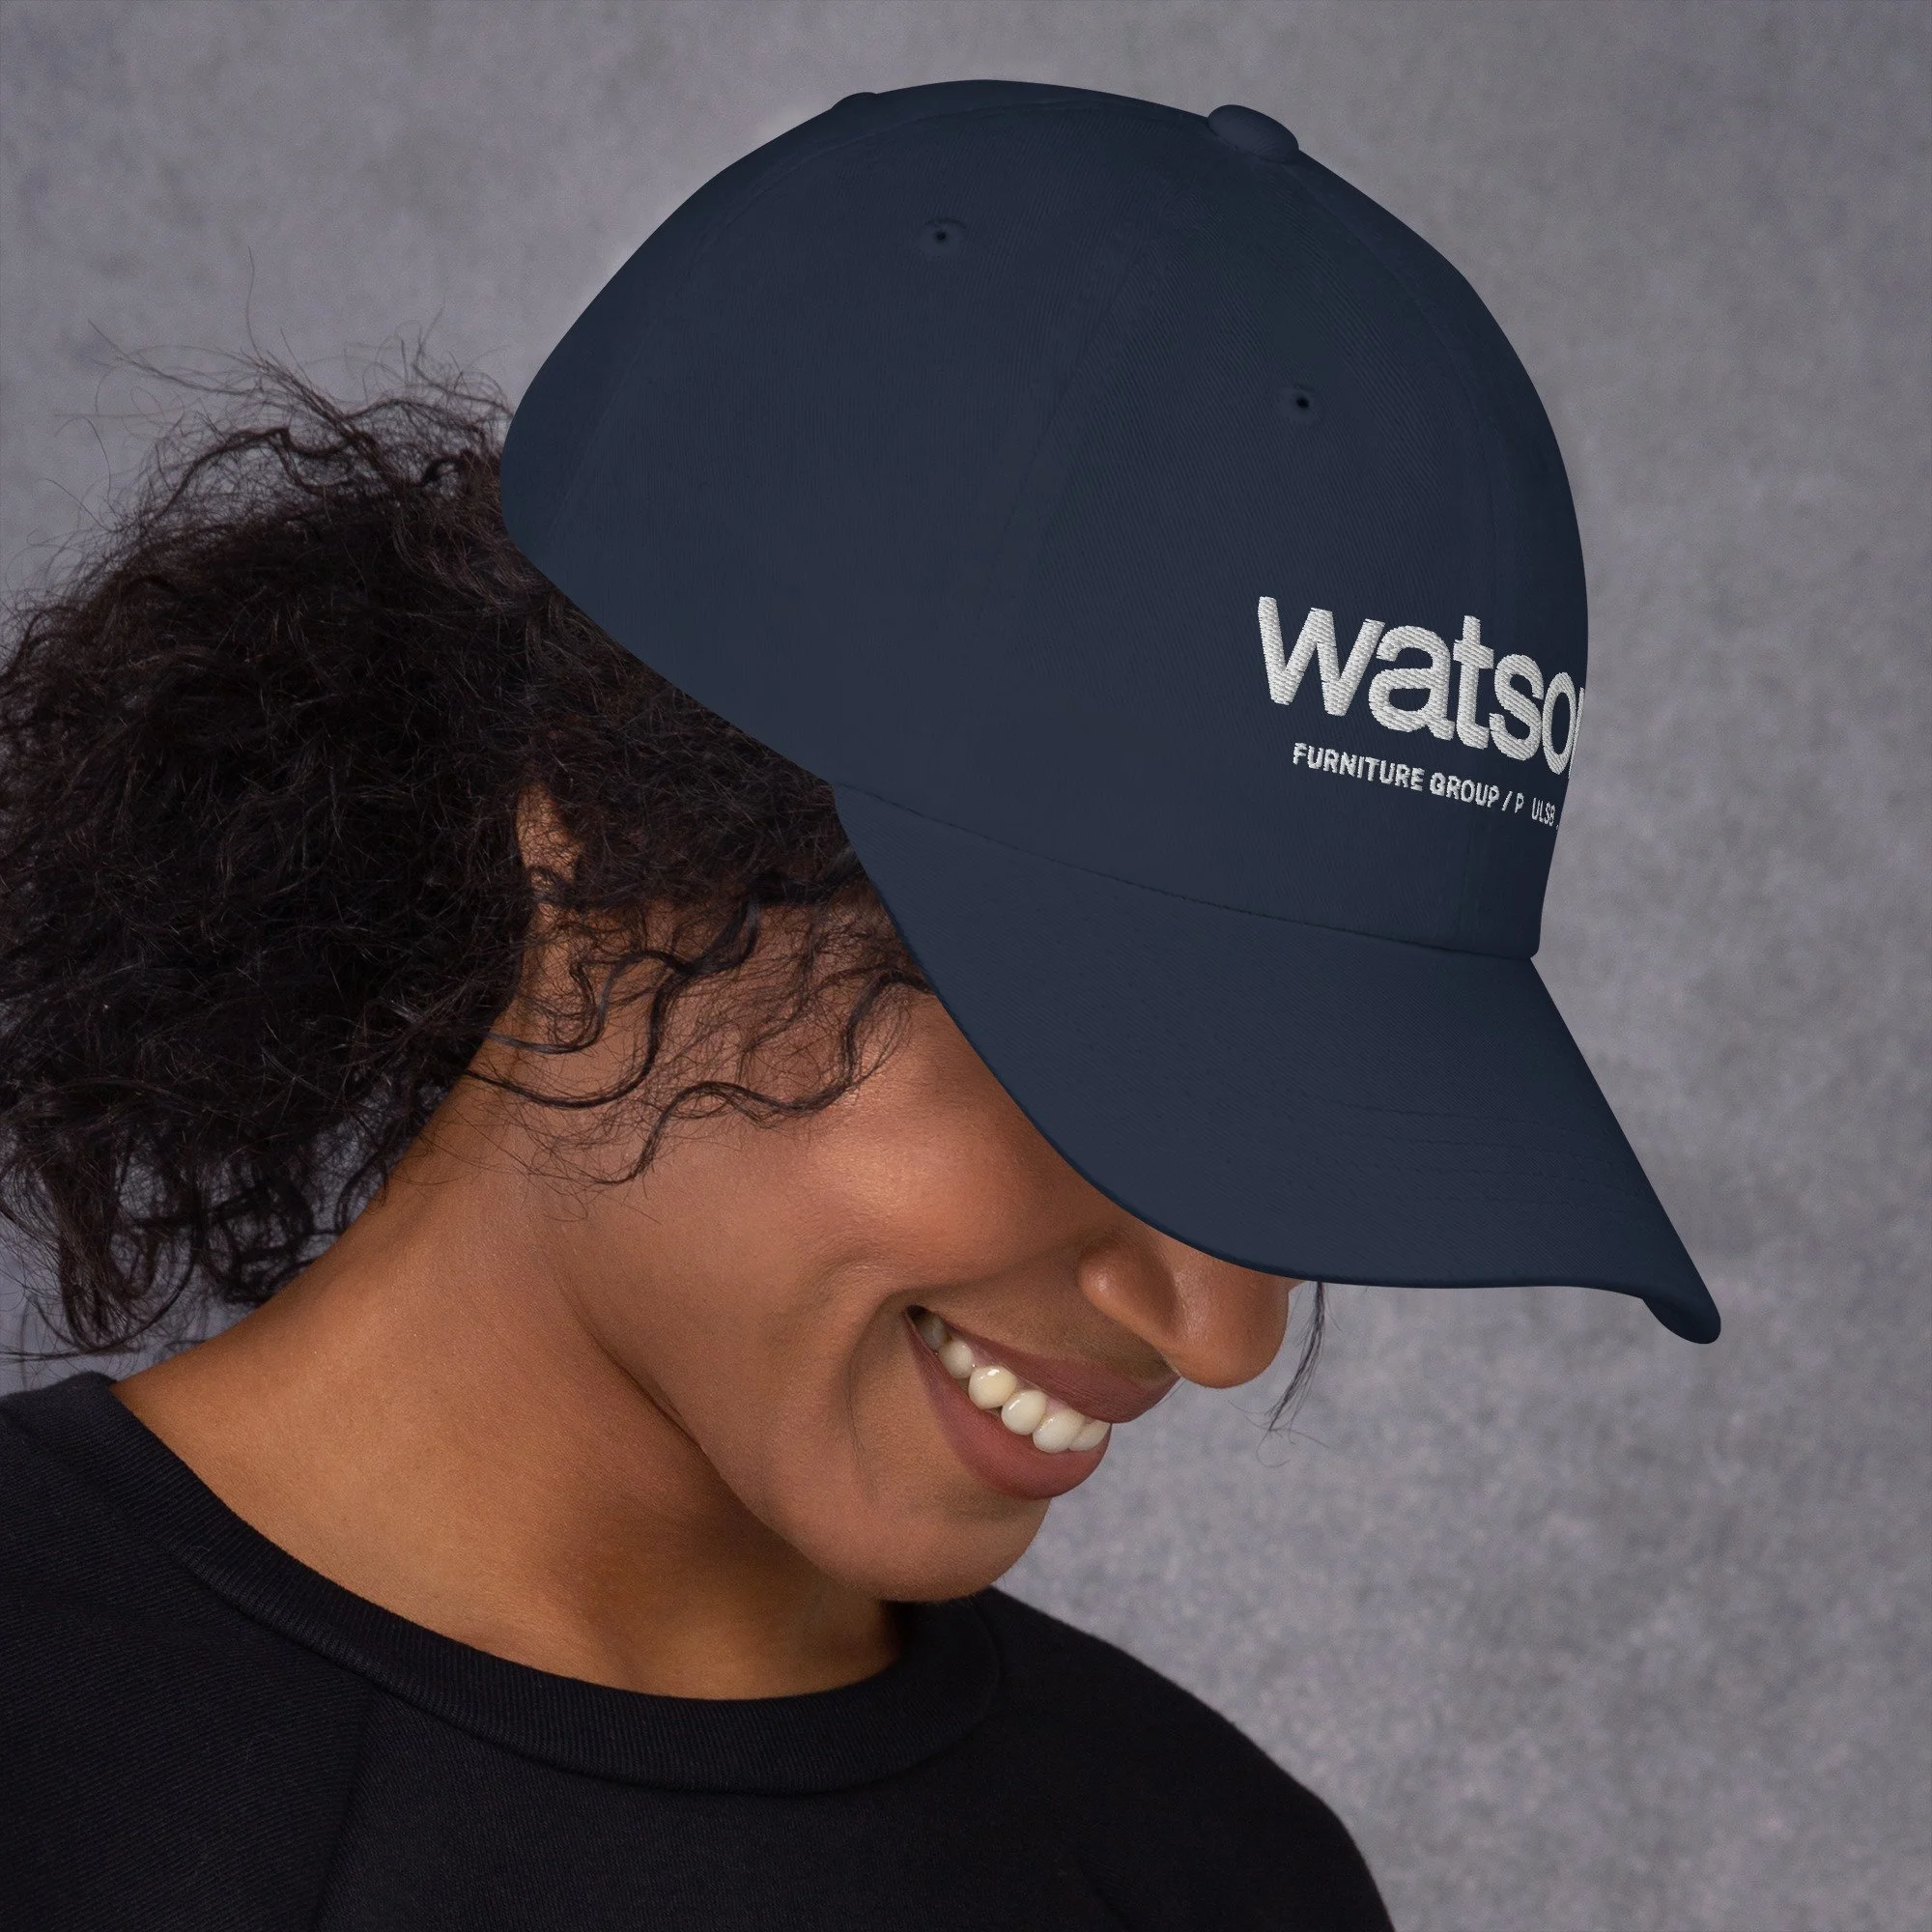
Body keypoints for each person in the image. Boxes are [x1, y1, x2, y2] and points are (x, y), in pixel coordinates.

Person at [0, 81, 1717, 1929]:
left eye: (1309, 1131)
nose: (1224, 1329)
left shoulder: (1222, 1880)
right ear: (593, 830)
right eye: (1112, 1065)